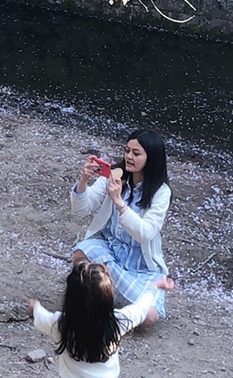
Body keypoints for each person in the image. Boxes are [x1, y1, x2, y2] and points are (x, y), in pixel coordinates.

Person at [69, 129, 174, 320]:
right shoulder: (115, 174)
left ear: (151, 158)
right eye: (127, 151)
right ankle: (98, 300)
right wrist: (84, 180)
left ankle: (112, 313)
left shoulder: (161, 192)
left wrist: (119, 202)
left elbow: (145, 233)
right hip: (110, 247)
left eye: (136, 153)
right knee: (80, 255)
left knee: (150, 316)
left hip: (141, 263)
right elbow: (82, 209)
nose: (129, 157)